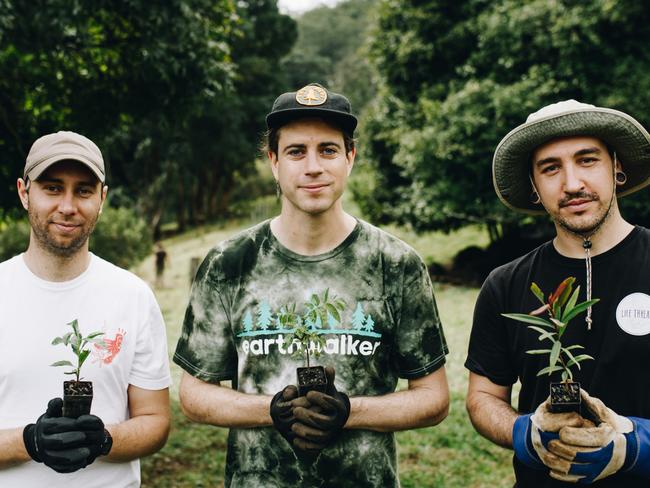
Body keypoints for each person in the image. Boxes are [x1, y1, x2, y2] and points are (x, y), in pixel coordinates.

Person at [174, 83, 450, 487]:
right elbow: (194, 396)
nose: (313, 166)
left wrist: (347, 411)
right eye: (296, 151)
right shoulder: (228, 263)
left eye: (328, 150)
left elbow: (433, 398)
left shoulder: (396, 263)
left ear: (350, 158)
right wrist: (271, 410)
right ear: (273, 162)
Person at [465, 100, 650, 487]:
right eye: (551, 168)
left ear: (616, 167)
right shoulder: (505, 284)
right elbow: (483, 397)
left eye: (587, 160)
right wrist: (525, 434)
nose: (572, 184)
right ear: (534, 186)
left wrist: (635, 446)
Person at [0, 131, 172, 486]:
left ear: (102, 198)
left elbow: (155, 420)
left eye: (83, 190)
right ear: (23, 192)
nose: (68, 205)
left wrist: (104, 440)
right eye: (52, 187)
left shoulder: (133, 295)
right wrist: (29, 442)